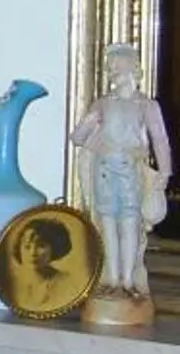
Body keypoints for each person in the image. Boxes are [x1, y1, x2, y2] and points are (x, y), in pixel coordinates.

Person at [70, 41, 172, 297]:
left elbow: (160, 139)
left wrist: (165, 172)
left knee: (129, 222)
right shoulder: (103, 104)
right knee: (107, 222)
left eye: (117, 65)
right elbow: (77, 138)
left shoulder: (145, 105)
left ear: (132, 68)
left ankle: (128, 280)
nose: (112, 71)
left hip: (130, 171)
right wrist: (90, 125)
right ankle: (112, 278)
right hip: (104, 170)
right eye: (110, 67)